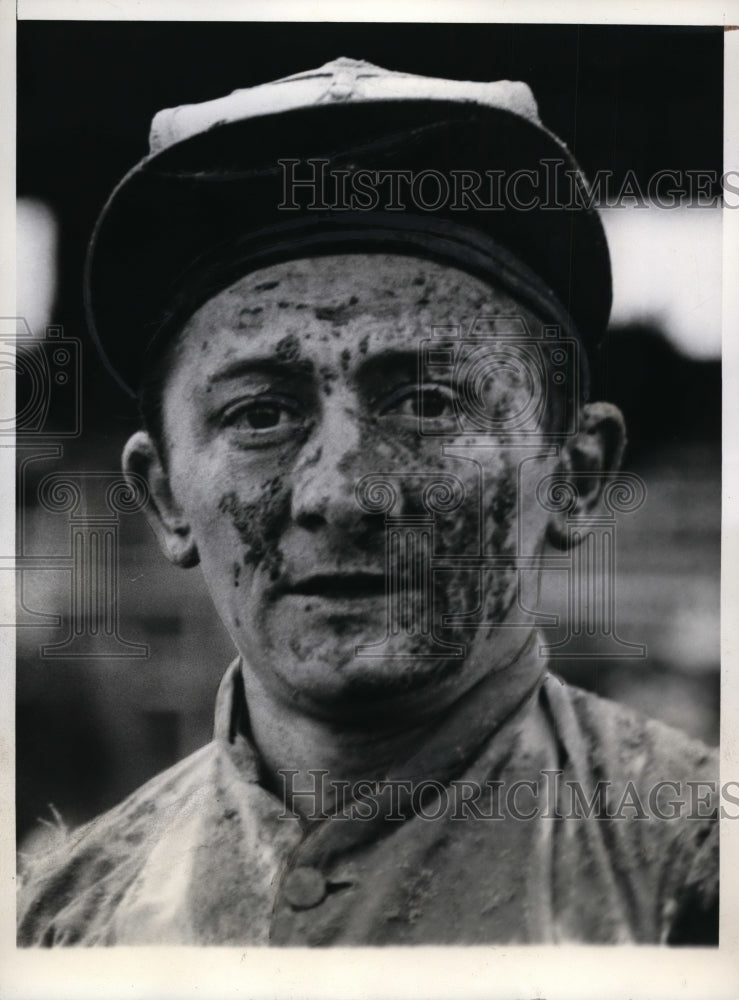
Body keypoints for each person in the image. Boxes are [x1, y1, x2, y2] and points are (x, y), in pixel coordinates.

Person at [18, 58, 718, 946]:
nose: (341, 492)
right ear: (163, 499)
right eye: (260, 414)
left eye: (427, 403)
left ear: (575, 473)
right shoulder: (59, 925)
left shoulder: (700, 876)